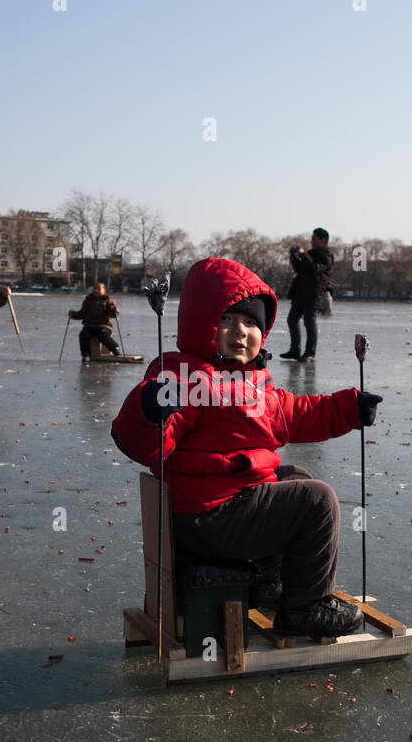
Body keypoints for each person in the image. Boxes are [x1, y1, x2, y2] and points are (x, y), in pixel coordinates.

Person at [111, 257, 384, 639]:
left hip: (223, 510)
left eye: (251, 323)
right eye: (227, 319)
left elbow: (299, 415)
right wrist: (148, 410)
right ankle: (305, 606)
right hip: (205, 518)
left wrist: (348, 408)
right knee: (316, 501)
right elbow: (145, 446)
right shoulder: (186, 377)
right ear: (202, 323)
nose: (240, 331)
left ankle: (266, 582)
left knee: (293, 477)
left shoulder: (253, 384)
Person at [279, 228, 333, 362]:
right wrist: (294, 256)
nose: (311, 241)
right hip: (300, 293)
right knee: (292, 319)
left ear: (323, 240)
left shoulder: (327, 256)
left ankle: (310, 353)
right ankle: (295, 350)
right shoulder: (310, 254)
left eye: (314, 238)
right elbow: (299, 269)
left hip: (314, 293)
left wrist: (303, 255)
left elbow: (314, 269)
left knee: (309, 322)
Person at [70, 282, 121, 361]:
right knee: (83, 335)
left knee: (103, 334)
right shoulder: (88, 300)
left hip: (103, 325)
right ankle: (86, 354)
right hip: (89, 325)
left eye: (99, 289)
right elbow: (81, 314)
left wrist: (114, 309)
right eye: (95, 289)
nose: (96, 291)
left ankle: (115, 349)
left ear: (104, 290)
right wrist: (73, 314)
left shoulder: (107, 301)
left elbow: (112, 314)